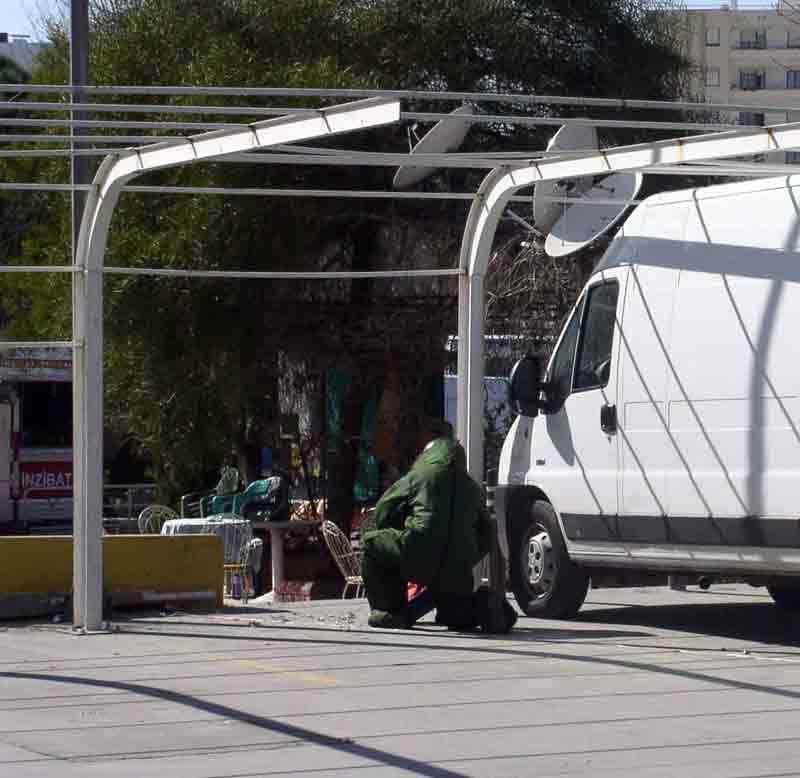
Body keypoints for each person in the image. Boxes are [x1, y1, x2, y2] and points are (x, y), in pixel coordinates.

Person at [361, 421, 506, 630]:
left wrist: (398, 531)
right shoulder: (472, 487)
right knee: (457, 612)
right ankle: (472, 609)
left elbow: (384, 510)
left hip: (418, 554)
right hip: (458, 567)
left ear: (427, 455)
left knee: (371, 543)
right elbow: (487, 531)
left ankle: (389, 611)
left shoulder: (419, 476)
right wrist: (468, 557)